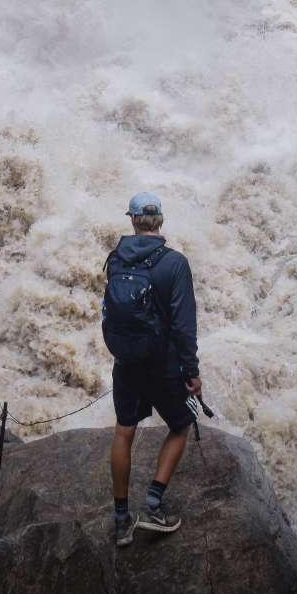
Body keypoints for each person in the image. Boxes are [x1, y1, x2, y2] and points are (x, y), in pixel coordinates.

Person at [103, 191, 201, 548]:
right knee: (180, 425)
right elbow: (183, 326)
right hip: (162, 364)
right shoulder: (174, 263)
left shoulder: (115, 259)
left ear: (131, 220)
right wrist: (191, 371)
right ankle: (153, 505)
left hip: (126, 361)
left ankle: (120, 520)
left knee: (124, 431)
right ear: (160, 221)